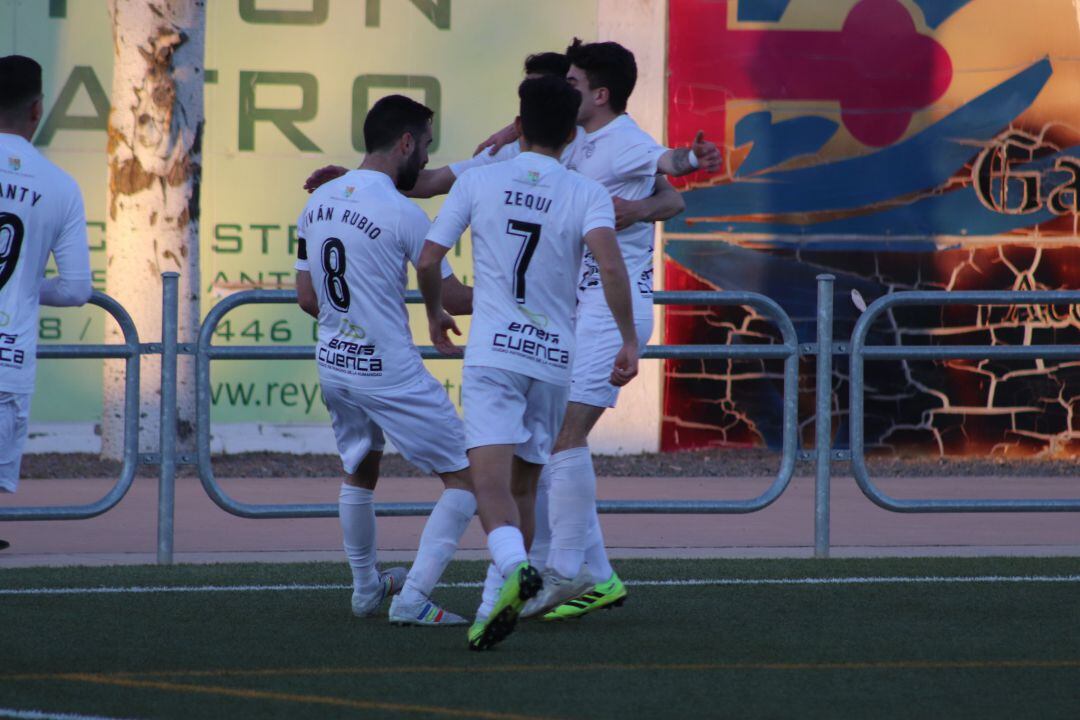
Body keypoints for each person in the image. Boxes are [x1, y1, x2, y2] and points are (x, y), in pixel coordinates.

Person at [416, 75, 639, 650]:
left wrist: (437, 312)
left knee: (487, 482)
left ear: (520, 123)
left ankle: (514, 569)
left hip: (493, 352)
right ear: (570, 134)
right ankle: (492, 607)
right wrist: (628, 341)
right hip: (550, 358)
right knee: (523, 485)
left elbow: (428, 257)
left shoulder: (481, 180)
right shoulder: (584, 191)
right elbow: (612, 270)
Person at [295, 94, 476, 626]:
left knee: (360, 468)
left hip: (333, 361)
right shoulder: (403, 212)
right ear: (404, 143)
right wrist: (522, 296)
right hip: (387, 370)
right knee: (468, 478)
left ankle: (364, 588)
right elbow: (456, 297)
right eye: (424, 146)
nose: (424, 158)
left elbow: (307, 297)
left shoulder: (318, 200)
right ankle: (414, 597)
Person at [0, 55, 92, 551]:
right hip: (7, 356)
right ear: (37, 110)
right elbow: (77, 289)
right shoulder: (60, 185)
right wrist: (27, 286)